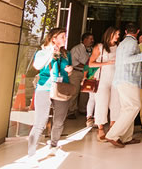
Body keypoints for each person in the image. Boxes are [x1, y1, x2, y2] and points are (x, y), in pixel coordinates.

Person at [27, 28, 73, 159]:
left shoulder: (66, 54)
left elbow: (67, 70)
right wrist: (51, 52)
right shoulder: (42, 53)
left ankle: (53, 145)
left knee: (59, 121)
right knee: (40, 122)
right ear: (54, 39)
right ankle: (31, 154)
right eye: (62, 36)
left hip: (61, 88)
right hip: (45, 88)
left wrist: (69, 70)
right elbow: (37, 66)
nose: (65, 38)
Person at [105, 23, 142, 148]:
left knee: (127, 108)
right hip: (128, 79)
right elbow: (127, 59)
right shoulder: (132, 43)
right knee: (134, 107)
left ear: (125, 31)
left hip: (121, 79)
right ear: (138, 31)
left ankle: (126, 137)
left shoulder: (123, 44)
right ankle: (112, 135)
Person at [89, 27, 120, 141]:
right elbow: (91, 63)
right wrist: (107, 63)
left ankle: (113, 127)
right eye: (116, 34)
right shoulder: (100, 47)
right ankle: (100, 128)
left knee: (116, 103)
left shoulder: (119, 47)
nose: (117, 36)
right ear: (110, 34)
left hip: (116, 78)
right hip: (102, 78)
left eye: (118, 34)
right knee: (101, 102)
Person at [69, 33, 94, 124]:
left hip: (86, 73)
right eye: (90, 39)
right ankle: (71, 111)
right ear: (85, 39)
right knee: (74, 91)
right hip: (76, 72)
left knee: (85, 92)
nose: (92, 41)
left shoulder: (90, 49)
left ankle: (82, 109)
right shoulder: (77, 49)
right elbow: (74, 62)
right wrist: (87, 66)